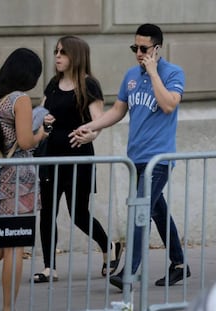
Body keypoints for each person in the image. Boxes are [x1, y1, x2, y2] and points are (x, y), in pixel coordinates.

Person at [70, 24, 190, 290]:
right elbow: (118, 111)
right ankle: (180, 264)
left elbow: (169, 104)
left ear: (157, 49)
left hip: (158, 160)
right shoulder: (130, 76)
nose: (138, 53)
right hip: (135, 158)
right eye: (134, 47)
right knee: (157, 211)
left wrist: (152, 71)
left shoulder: (173, 73)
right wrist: (91, 127)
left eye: (144, 48)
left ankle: (129, 273)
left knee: (139, 211)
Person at [32, 35, 123, 283]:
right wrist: (43, 118)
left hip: (78, 158)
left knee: (78, 214)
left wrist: (89, 135)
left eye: (63, 52)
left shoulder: (88, 85)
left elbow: (98, 120)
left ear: (76, 56)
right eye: (56, 51)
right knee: (48, 211)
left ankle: (108, 246)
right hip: (50, 157)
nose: (57, 56)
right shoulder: (53, 84)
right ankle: (49, 267)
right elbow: (40, 111)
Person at [0, 48, 48, 311]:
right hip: (18, 180)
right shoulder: (20, 100)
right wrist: (41, 133)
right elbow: (26, 141)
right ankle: (8, 308)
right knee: (16, 246)